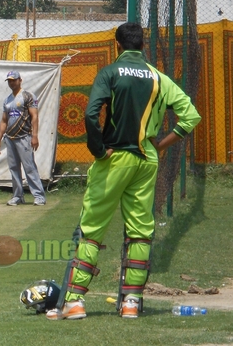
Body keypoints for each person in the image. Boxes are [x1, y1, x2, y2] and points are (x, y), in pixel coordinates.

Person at [47, 22, 201, 321]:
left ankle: (75, 302)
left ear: (117, 45)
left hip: (114, 160)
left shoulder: (109, 73)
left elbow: (91, 114)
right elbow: (191, 116)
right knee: (141, 232)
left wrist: (98, 149)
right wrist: (163, 144)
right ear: (143, 45)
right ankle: (131, 303)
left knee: (91, 231)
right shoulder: (159, 78)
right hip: (146, 162)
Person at [0, 70, 46, 206]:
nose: (12, 83)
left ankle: (39, 196)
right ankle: (18, 196)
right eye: (9, 81)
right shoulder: (7, 100)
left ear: (20, 80)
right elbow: (4, 121)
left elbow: (34, 116)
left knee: (29, 166)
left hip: (24, 136)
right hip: (10, 138)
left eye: (14, 80)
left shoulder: (28, 96)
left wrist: (35, 136)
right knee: (13, 167)